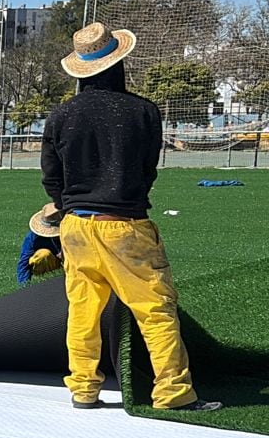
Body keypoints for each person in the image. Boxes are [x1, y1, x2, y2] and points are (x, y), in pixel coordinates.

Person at [42, 21, 220, 412]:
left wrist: (68, 205)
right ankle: (173, 392)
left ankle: (84, 389)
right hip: (125, 226)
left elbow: (51, 178)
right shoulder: (144, 112)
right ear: (119, 61)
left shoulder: (60, 115)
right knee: (155, 311)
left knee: (83, 312)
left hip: (75, 226)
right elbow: (146, 170)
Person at [17, 205, 64, 284]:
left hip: (69, 263)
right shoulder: (33, 237)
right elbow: (24, 261)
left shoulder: (72, 232)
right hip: (50, 264)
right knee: (43, 254)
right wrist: (23, 285)